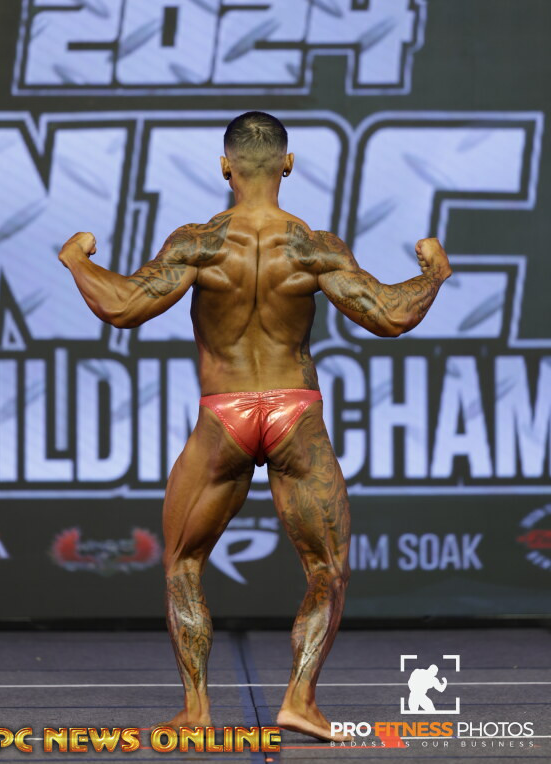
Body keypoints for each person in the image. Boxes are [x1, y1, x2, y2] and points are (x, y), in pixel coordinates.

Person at [58, 111, 452, 741]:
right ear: (288, 165)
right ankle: (300, 700)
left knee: (183, 564)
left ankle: (196, 709)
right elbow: (389, 315)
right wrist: (434, 272)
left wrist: (77, 259)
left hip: (226, 413)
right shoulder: (314, 247)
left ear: (226, 167)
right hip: (296, 411)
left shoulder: (200, 242)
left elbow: (123, 306)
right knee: (327, 569)